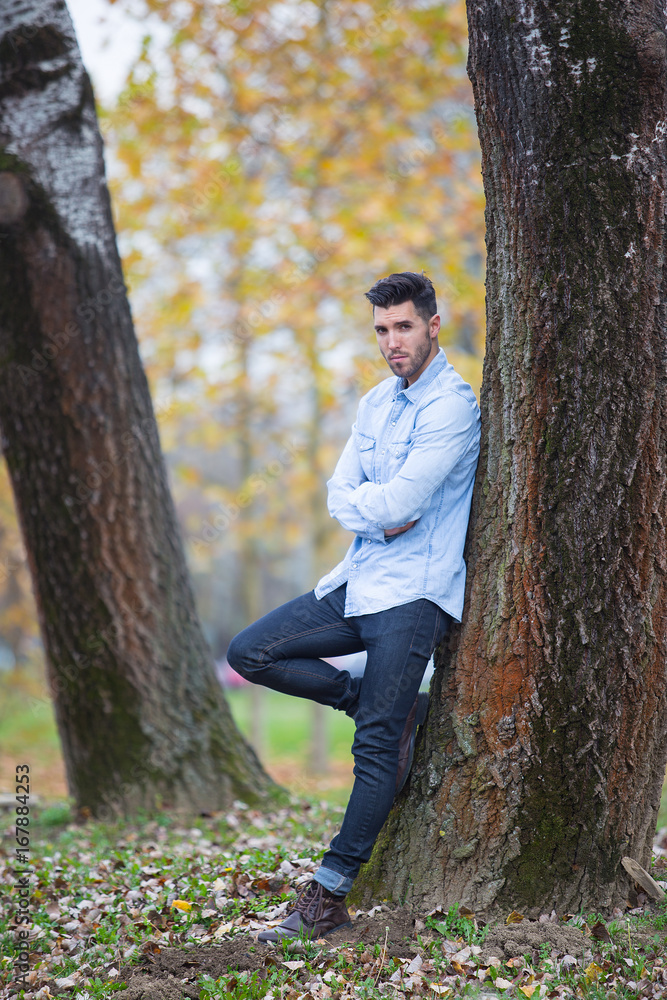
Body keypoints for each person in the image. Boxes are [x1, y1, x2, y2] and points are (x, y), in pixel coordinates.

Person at [227, 271, 481, 941]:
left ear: (431, 324)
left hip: (413, 594)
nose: (391, 341)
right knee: (248, 652)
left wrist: (374, 508)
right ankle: (362, 698)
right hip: (357, 578)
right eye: (380, 329)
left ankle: (328, 897)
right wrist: (374, 513)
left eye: (402, 326)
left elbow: (398, 504)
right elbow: (345, 495)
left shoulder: (452, 407)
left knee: (375, 750)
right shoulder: (374, 403)